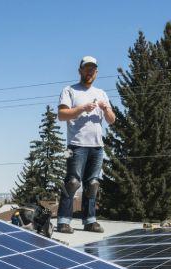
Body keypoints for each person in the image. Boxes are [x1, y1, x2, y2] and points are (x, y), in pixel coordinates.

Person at [56, 56, 115, 234]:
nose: (90, 71)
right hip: (76, 145)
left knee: (93, 184)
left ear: (96, 72)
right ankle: (63, 221)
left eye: (93, 69)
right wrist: (82, 108)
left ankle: (89, 220)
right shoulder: (70, 90)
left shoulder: (102, 93)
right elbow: (62, 115)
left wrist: (105, 109)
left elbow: (112, 121)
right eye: (86, 68)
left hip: (97, 146)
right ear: (80, 70)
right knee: (72, 182)